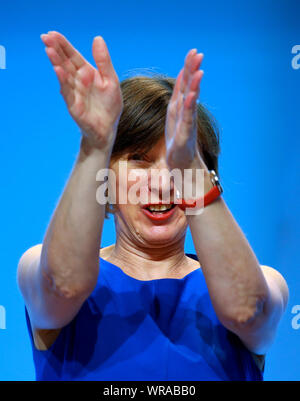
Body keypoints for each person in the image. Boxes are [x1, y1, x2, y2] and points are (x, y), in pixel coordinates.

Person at [17, 31, 289, 381]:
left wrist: (190, 164)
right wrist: (96, 144)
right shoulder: (39, 267)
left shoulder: (264, 284)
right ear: (105, 181)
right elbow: (63, 285)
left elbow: (246, 311)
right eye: (139, 159)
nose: (162, 183)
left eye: (177, 165)